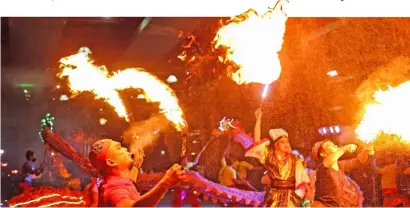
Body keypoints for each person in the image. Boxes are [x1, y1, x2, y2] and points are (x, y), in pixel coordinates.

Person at [88, 139, 186, 207]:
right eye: (119, 148)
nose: (125, 149)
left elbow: (129, 182)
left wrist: (136, 164)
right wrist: (166, 183)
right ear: (111, 162)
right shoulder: (114, 189)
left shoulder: (113, 181)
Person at [245, 108, 311, 207]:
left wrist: (306, 198)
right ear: (276, 144)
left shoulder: (295, 158)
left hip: (291, 198)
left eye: (287, 141)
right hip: (274, 197)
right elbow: (257, 142)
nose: (286, 144)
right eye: (282, 142)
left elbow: (302, 179)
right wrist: (258, 120)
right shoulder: (269, 156)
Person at [311, 139, 374, 207]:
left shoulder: (340, 165)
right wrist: (344, 149)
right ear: (323, 154)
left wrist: (365, 150)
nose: (334, 145)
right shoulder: (321, 168)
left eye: (333, 143)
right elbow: (329, 161)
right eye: (328, 145)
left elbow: (359, 161)